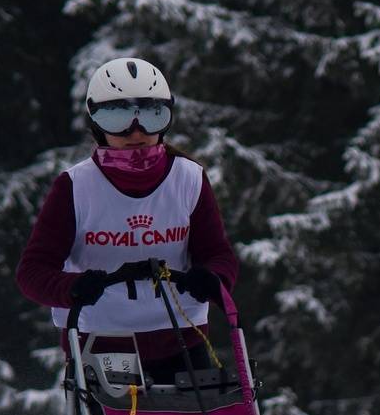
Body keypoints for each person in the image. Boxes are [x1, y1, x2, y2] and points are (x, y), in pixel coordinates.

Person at [16, 56, 238, 382]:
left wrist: (212, 279)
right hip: (102, 342)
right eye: (117, 117)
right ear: (96, 124)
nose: (136, 131)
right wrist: (72, 288)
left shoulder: (189, 178)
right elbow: (32, 272)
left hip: (181, 340)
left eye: (151, 115)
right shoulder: (75, 186)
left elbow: (219, 255)